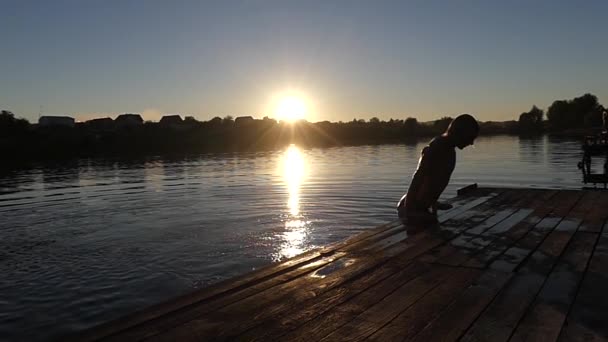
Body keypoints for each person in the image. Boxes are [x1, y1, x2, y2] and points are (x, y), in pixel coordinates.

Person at [397, 114, 479, 224]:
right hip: (410, 206)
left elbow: (437, 180)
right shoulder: (437, 146)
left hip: (422, 206)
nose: (471, 142)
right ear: (461, 133)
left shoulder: (450, 150)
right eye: (470, 137)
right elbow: (418, 176)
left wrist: (433, 202)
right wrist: (409, 209)